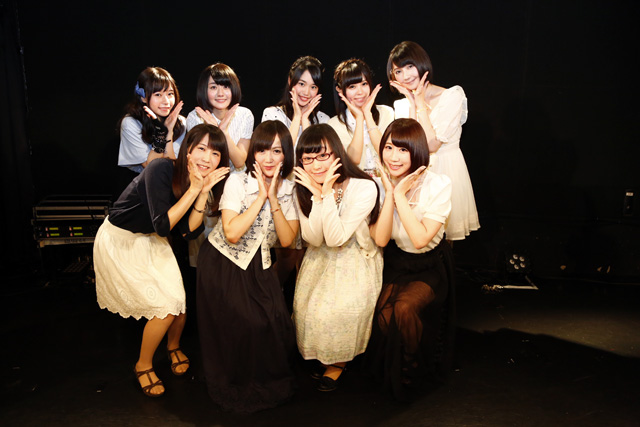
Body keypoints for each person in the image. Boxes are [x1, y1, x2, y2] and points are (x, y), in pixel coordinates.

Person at [94, 124, 231, 397]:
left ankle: (173, 346)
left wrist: (202, 192)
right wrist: (195, 190)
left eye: (215, 153)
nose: (207, 158)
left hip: (152, 240)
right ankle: (143, 364)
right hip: (122, 240)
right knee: (166, 309)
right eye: (201, 149)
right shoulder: (161, 169)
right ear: (188, 150)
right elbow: (163, 225)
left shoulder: (198, 182)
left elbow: (189, 232)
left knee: (178, 302)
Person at [196, 120, 299, 412]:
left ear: (286, 154)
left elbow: (287, 240)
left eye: (276, 151)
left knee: (275, 321)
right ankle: (236, 381)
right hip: (222, 261)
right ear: (253, 153)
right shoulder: (238, 181)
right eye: (262, 150)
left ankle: (265, 381)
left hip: (260, 262)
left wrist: (274, 198)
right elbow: (231, 232)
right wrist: (261, 197)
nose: (269, 158)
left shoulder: (290, 189)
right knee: (242, 324)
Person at [367, 118, 455, 401]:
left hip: (429, 263)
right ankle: (399, 361)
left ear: (416, 150)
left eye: (403, 150)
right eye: (389, 147)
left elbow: (420, 239)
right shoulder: (376, 184)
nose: (393, 157)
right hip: (396, 262)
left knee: (404, 308)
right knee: (384, 316)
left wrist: (400, 195)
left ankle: (412, 363)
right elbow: (381, 240)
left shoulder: (438, 184)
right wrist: (389, 193)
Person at [293, 124, 382, 392]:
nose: (316, 165)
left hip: (355, 256)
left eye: (323, 156)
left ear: (337, 154)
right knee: (308, 310)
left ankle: (339, 361)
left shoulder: (364, 187)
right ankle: (324, 353)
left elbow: (337, 238)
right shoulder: (302, 189)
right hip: (320, 256)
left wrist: (326, 193)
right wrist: (316, 197)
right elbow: (314, 239)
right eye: (308, 159)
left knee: (339, 311)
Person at [388, 41, 479, 241]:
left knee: (444, 238)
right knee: (414, 232)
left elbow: (431, 146)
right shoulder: (401, 105)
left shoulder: (451, 96)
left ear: (422, 64)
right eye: (398, 71)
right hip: (415, 173)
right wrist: (412, 104)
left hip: (446, 169)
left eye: (410, 66)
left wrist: (419, 102)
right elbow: (410, 145)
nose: (406, 76)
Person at [328, 58, 394, 177]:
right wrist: (359, 119)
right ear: (339, 90)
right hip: (357, 183)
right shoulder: (334, 124)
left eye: (364, 84)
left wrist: (367, 114)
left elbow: (386, 152)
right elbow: (353, 160)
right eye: (352, 87)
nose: (360, 92)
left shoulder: (386, 113)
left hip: (388, 180)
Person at [118, 67, 186, 174]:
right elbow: (152, 167)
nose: (166, 101)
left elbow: (172, 166)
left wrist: (169, 132)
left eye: (170, 94)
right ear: (143, 97)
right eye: (158, 94)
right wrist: (161, 133)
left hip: (172, 180)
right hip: (142, 181)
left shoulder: (180, 122)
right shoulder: (131, 123)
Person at [186, 63, 253, 171]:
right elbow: (200, 161)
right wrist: (213, 130)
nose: (220, 94)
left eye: (226, 87)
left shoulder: (245, 115)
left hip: (235, 176)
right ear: (204, 90)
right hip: (206, 174)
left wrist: (223, 132)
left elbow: (239, 162)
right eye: (213, 87)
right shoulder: (195, 117)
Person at [262, 56, 330, 144]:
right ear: (290, 81)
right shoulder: (272, 115)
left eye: (313, 87)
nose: (306, 92)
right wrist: (297, 117)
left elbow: (312, 151)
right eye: (302, 84)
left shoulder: (323, 121)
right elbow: (284, 150)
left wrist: (305, 119)